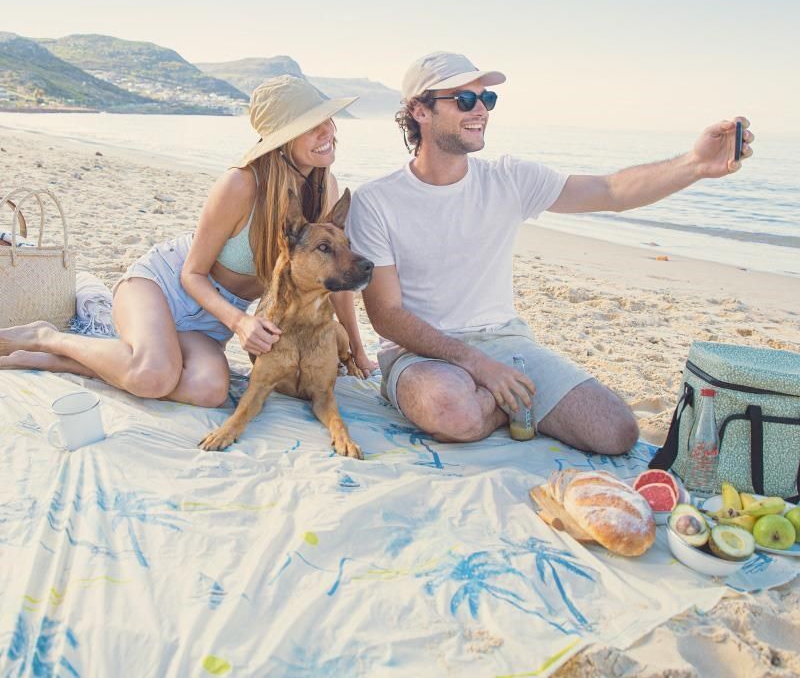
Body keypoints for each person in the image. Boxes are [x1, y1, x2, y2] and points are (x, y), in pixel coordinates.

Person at [346, 51, 754, 455]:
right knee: (454, 412)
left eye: (486, 99)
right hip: (419, 354)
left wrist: (695, 164)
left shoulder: (509, 178)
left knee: (615, 432)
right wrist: (476, 364)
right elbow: (387, 314)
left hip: (505, 341)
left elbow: (609, 191)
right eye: (465, 100)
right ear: (420, 110)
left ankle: (501, 401)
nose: (480, 111)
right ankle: (509, 403)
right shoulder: (377, 201)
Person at [0, 75, 377, 405]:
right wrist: (241, 324)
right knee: (154, 376)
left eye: (326, 119)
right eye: (312, 125)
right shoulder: (241, 184)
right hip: (163, 285)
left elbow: (336, 276)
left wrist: (358, 351)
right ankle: (48, 338)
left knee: (209, 390)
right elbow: (191, 273)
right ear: (282, 139)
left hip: (209, 318)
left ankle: (75, 362)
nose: (328, 131)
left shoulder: (323, 188)